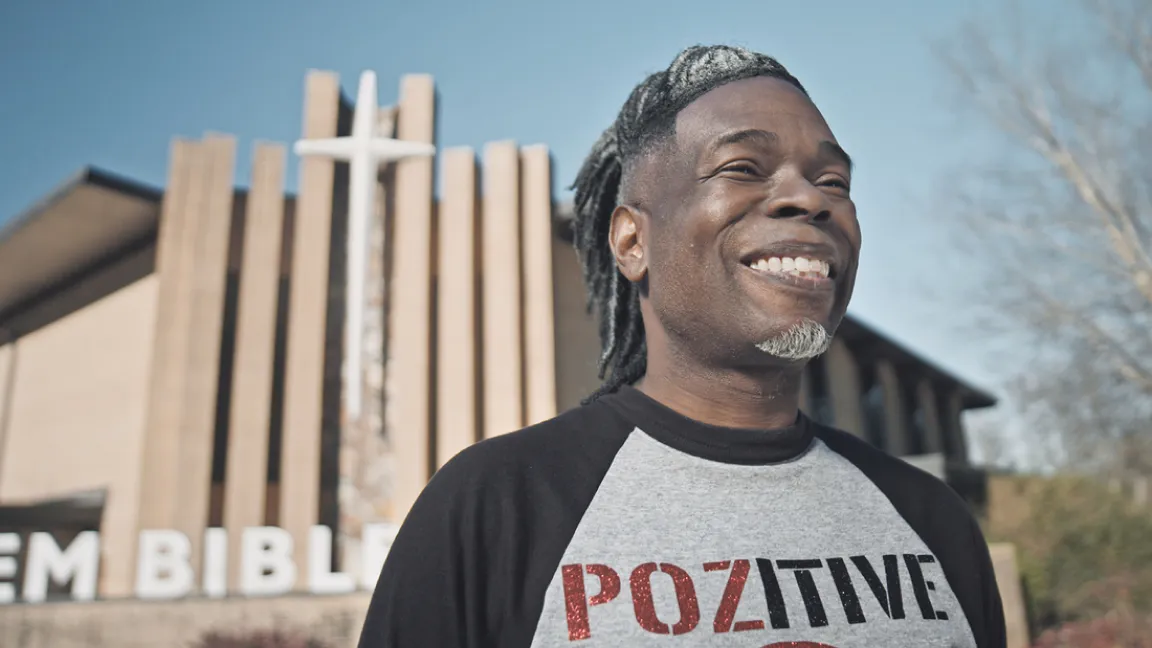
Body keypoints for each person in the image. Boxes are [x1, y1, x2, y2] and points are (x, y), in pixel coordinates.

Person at [357, 44, 1007, 647]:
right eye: (742, 167)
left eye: (833, 181)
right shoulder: (496, 506)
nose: (810, 198)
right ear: (633, 243)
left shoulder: (930, 518)